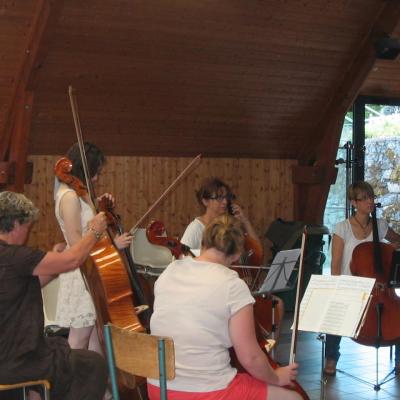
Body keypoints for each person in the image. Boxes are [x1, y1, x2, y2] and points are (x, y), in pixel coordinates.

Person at [148, 215, 301, 400]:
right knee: (294, 398)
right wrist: (277, 377)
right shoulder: (232, 285)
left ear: (203, 243)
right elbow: (250, 358)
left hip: (159, 389)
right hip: (205, 393)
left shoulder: (169, 271)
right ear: (237, 255)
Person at [0, 191, 108, 399]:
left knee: (59, 350)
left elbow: (31, 284)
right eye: (27, 227)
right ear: (15, 224)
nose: (27, 233)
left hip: (6, 355)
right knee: (92, 364)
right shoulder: (16, 256)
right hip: (14, 361)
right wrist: (93, 232)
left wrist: (57, 261)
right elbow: (72, 261)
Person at [181, 177, 284, 341]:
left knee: (276, 304)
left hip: (239, 284)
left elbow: (256, 250)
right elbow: (182, 259)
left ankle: (269, 353)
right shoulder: (195, 228)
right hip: (214, 288)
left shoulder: (229, 224)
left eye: (227, 197)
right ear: (205, 201)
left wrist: (243, 220)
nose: (224, 202)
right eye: (219, 198)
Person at [54, 142, 133, 354]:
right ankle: (70, 386)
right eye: (94, 173)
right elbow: (76, 244)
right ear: (82, 169)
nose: (96, 179)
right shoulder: (69, 197)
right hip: (82, 273)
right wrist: (113, 245)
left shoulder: (77, 193)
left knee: (93, 342)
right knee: (79, 341)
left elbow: (85, 221)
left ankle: (99, 387)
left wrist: (98, 204)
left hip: (90, 271)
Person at [324, 181, 400, 376]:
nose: (370, 201)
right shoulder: (342, 228)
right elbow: (335, 264)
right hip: (351, 286)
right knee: (335, 310)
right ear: (353, 202)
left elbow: (397, 240)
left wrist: (387, 249)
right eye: (364, 198)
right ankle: (331, 356)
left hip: (379, 288)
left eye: (371, 197)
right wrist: (337, 288)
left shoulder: (380, 225)